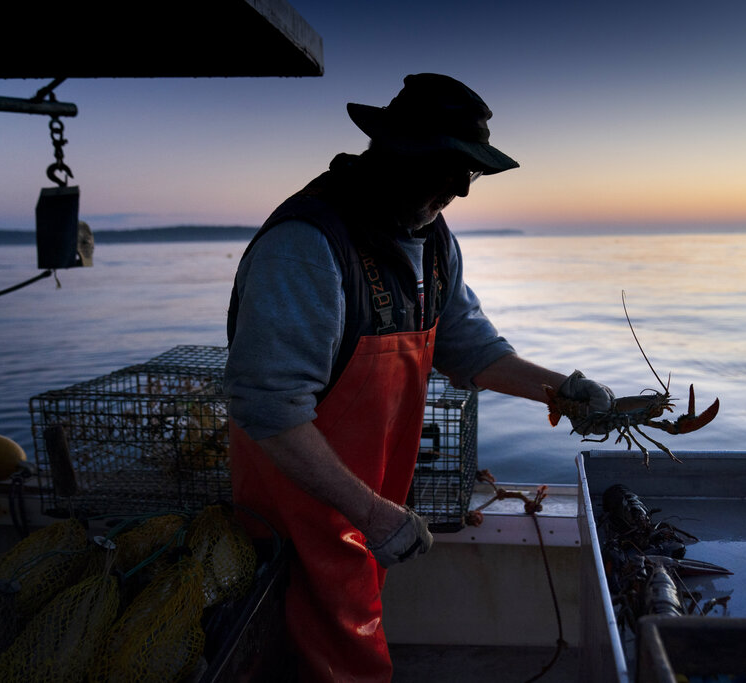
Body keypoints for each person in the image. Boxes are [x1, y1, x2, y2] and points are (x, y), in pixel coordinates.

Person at [224, 73, 613, 682]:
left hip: (364, 515)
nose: (461, 188)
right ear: (394, 148)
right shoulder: (306, 247)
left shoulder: (431, 241)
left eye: (472, 173)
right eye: (451, 164)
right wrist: (374, 515)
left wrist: (564, 389)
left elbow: (472, 350)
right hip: (296, 526)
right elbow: (269, 408)